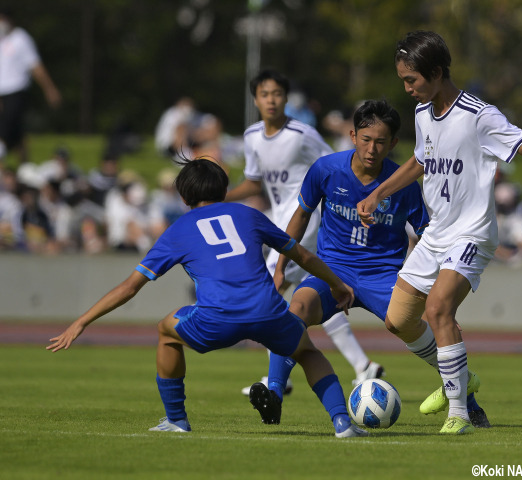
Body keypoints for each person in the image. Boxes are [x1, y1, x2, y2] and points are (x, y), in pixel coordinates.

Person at [46, 158, 368, 439]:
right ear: (224, 191)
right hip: (267, 310)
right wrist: (337, 284)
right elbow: (302, 255)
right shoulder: (247, 214)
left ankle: (176, 421)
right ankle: (342, 422)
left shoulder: (178, 229)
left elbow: (130, 287)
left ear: (184, 197)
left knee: (165, 331)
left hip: (218, 318)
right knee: (307, 351)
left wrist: (81, 322)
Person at [357, 31, 522, 434]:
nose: (407, 89)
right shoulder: (423, 113)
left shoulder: (479, 116)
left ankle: (459, 413)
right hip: (437, 233)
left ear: (438, 72)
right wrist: (378, 193)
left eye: (412, 80)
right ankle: (460, 377)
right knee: (398, 320)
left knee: (439, 308)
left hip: (472, 234)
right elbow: (419, 161)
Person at [265, 99, 489, 432]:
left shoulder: (405, 186)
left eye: (381, 141)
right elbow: (300, 216)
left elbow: (429, 231)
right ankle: (272, 393)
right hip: (332, 269)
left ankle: (466, 399)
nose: (372, 148)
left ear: (394, 144)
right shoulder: (326, 170)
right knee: (296, 308)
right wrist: (281, 264)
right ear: (353, 136)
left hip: (382, 275)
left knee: (404, 325)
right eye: (366, 139)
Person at [226, 69, 384, 393]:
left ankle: (276, 381)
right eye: (264, 94)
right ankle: (363, 365)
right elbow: (255, 183)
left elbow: (336, 167)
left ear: (286, 99)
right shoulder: (252, 136)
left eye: (277, 94)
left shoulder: (302, 134)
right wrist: (219, 198)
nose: (271, 100)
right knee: (311, 296)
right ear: (255, 99)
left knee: (271, 289)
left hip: (304, 218)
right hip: (277, 220)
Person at [0, 9, 62, 164]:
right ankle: (24, 166)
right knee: (16, 133)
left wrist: (50, 89)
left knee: (5, 130)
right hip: (2, 93)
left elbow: (36, 66)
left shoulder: (21, 39)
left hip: (16, 91)